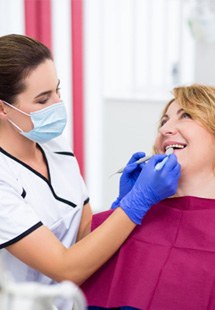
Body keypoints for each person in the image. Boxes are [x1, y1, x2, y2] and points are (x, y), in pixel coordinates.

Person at [0, 34, 180, 309]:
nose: (57, 105)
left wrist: (118, 205)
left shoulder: (54, 145)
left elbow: (83, 233)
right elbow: (65, 267)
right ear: (3, 107)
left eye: (57, 90)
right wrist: (136, 203)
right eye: (42, 99)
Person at [82, 84, 215, 310]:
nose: (165, 130)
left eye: (186, 116)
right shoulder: (127, 217)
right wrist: (122, 208)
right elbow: (70, 268)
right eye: (164, 121)